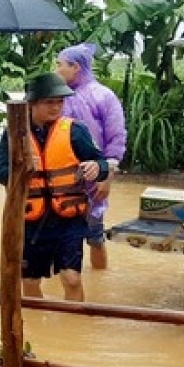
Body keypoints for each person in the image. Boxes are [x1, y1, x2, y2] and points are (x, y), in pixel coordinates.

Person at [0, 72, 109, 302]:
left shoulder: (75, 131)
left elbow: (101, 162)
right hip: (30, 221)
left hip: (68, 220)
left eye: (60, 102)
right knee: (30, 282)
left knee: (71, 278)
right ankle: (37, 330)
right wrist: (21, 170)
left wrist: (97, 167)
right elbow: (0, 172)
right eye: (49, 102)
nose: (56, 107)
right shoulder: (16, 133)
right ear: (33, 103)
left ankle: (74, 329)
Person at [56, 43, 126, 270]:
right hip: (61, 178)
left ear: (75, 67)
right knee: (58, 237)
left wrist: (107, 177)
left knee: (95, 236)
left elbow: (116, 138)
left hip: (94, 177)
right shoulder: (58, 97)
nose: (56, 70)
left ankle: (98, 281)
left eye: (60, 65)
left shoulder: (103, 96)